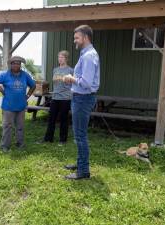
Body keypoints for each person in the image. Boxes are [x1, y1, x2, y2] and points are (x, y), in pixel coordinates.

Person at [63, 25, 100, 180]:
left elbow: (85, 82)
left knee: (80, 136)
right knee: (79, 135)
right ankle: (81, 163)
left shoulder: (88, 56)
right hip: (81, 98)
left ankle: (83, 171)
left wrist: (71, 78)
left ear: (85, 37)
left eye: (77, 37)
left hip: (83, 99)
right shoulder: (86, 54)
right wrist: (73, 79)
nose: (75, 41)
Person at [0, 56, 36, 152]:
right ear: (10, 64)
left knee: (20, 127)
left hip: (21, 106)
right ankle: (5, 146)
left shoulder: (25, 75)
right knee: (7, 127)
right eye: (14, 63)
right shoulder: (5, 75)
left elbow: (33, 85)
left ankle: (20, 144)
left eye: (18, 63)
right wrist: (2, 90)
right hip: (8, 107)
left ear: (20, 65)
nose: (16, 65)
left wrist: (27, 96)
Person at [42, 50, 73, 145]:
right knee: (51, 118)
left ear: (66, 59)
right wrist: (61, 78)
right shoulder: (55, 70)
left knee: (64, 119)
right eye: (59, 57)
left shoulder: (70, 70)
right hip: (55, 97)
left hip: (65, 98)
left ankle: (63, 140)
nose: (60, 59)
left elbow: (71, 82)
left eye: (62, 57)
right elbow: (54, 80)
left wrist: (65, 79)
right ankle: (48, 138)